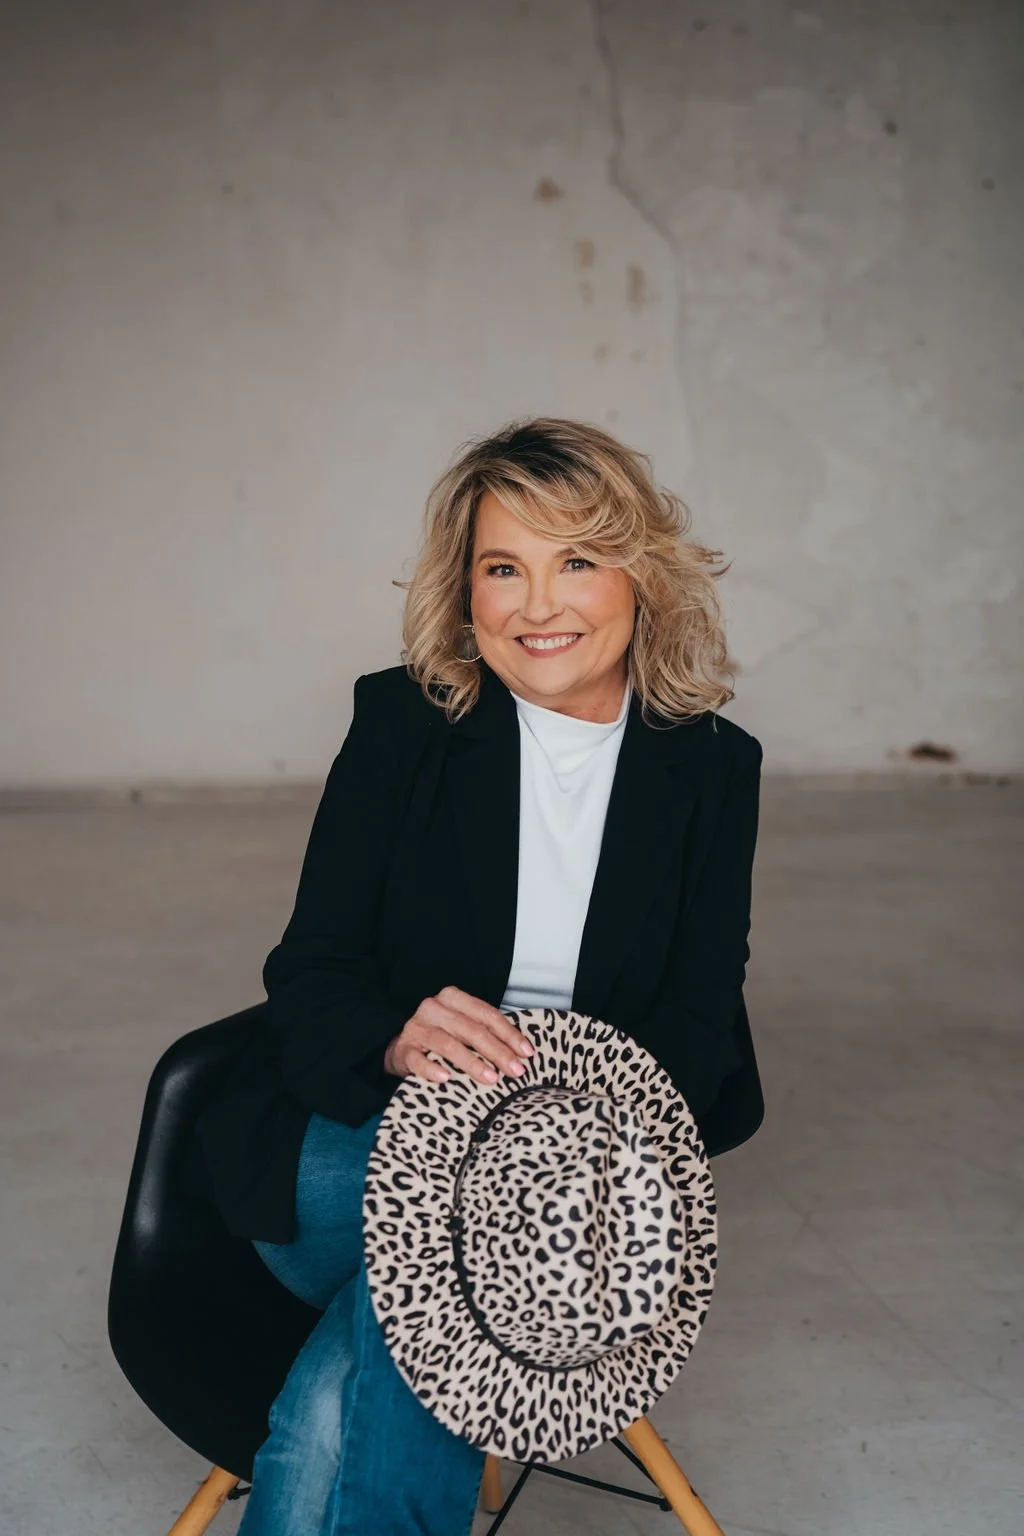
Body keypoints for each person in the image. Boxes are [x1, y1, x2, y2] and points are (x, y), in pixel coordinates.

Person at [181, 416, 765, 1534]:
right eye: (504, 568)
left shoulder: (709, 771)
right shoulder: (404, 725)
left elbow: (699, 1015)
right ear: (465, 592)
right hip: (346, 1148)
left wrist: (574, 1140)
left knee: (353, 1381)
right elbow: (311, 972)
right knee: (464, 1229)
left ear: (640, 574)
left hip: (574, 1190)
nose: (538, 605)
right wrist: (396, 1035)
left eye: (576, 560)